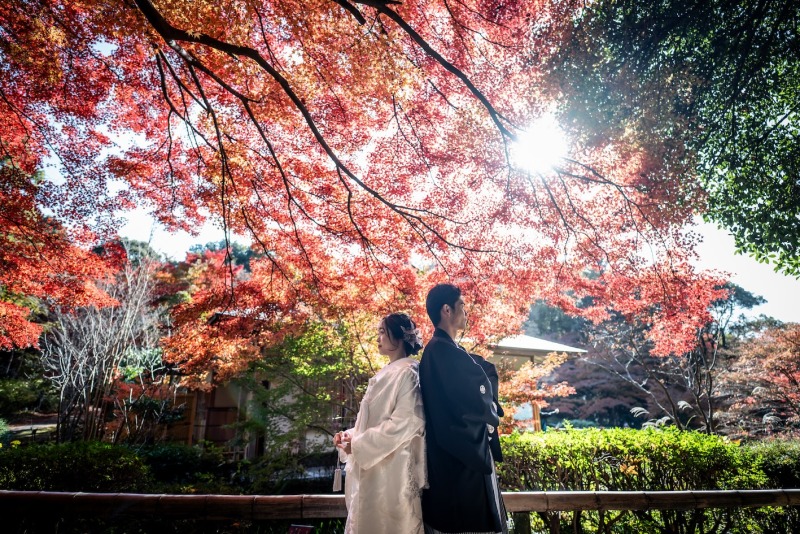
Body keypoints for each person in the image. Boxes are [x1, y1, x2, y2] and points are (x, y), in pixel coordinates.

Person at [419, 283, 507, 534]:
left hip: (453, 461)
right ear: (447, 309)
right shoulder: (442, 351)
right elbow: (475, 398)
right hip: (459, 467)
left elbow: (483, 375)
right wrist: (487, 401)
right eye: (463, 306)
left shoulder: (445, 351)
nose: (467, 312)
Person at [334, 312, 427, 534]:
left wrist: (357, 444)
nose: (378, 337)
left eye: (383, 332)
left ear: (399, 337)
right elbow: (371, 422)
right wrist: (350, 436)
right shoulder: (388, 372)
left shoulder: (409, 372)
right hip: (375, 466)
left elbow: (407, 422)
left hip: (393, 471)